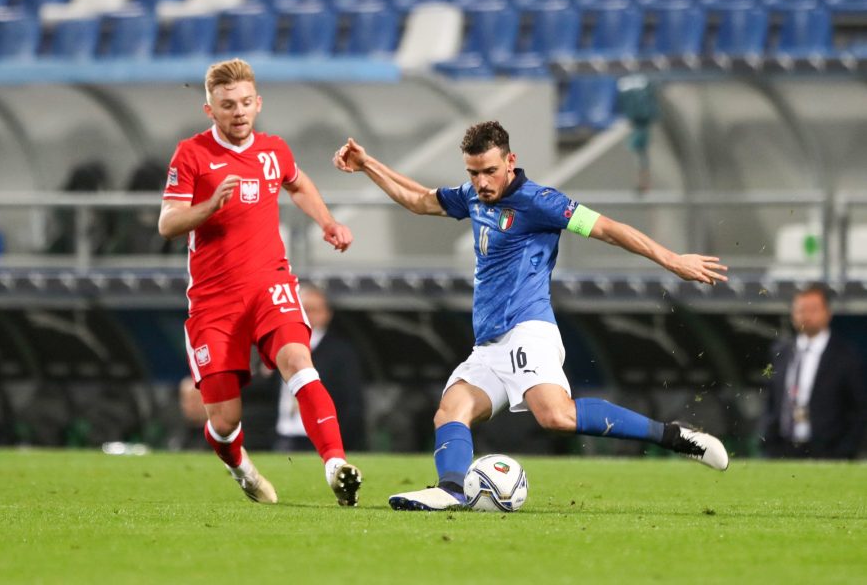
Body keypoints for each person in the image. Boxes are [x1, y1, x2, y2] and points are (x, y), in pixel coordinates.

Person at [333, 121, 730, 511]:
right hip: (489, 342)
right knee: (451, 410)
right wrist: (369, 164)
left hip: (528, 329)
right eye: (474, 173)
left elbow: (608, 228)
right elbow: (419, 200)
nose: (482, 182)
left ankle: (675, 437)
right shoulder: (473, 197)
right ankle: (452, 489)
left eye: (490, 171)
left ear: (510, 162)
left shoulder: (540, 201)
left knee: (556, 415)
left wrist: (672, 259)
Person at [158, 58, 362, 506]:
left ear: (258, 103)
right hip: (215, 301)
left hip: (270, 284)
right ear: (210, 109)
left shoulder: (273, 150)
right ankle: (239, 466)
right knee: (225, 419)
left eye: (246, 102)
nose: (239, 111)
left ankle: (336, 465)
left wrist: (327, 223)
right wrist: (210, 206)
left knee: (298, 362)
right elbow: (168, 223)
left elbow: (297, 181)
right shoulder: (191, 154)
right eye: (228, 104)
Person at [762, 284, 867, 459]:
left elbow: (859, 408)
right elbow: (772, 401)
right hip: (784, 448)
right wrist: (768, 440)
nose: (806, 316)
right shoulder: (781, 352)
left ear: (828, 312)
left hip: (829, 450)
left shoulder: (847, 356)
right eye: (800, 310)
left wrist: (847, 449)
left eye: (813, 309)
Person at [273, 284, 366, 452]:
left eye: (312, 310)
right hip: (284, 436)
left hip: (321, 438)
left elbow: (351, 400)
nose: (306, 316)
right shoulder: (279, 346)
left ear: (326, 314)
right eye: (302, 310)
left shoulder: (340, 352)